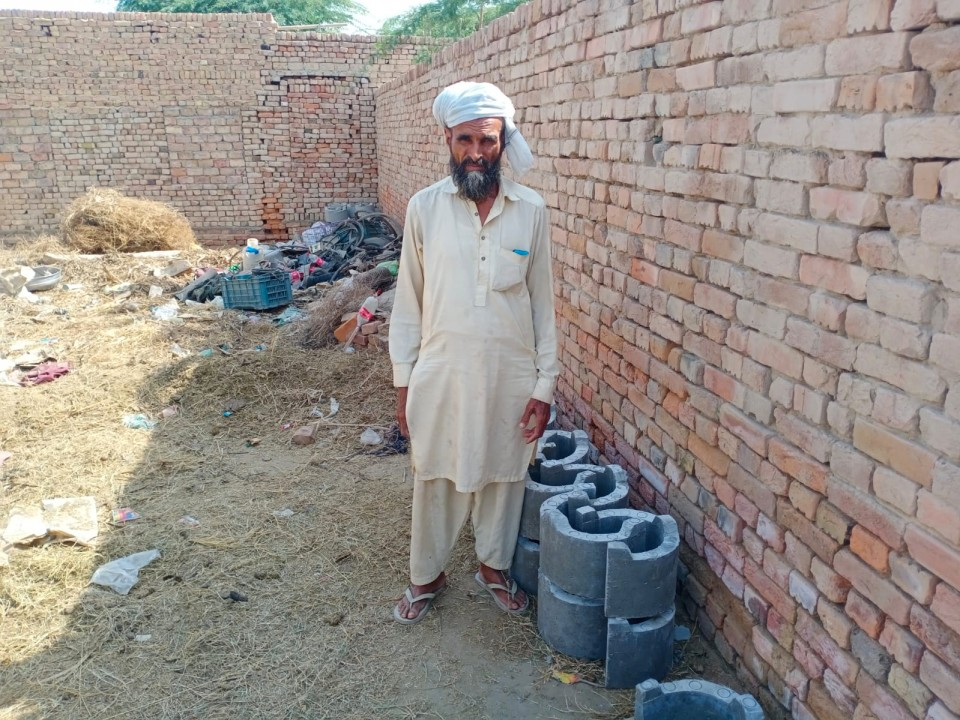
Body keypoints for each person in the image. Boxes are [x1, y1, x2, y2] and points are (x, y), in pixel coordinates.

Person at [388, 81, 559, 624]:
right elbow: (409, 301)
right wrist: (403, 381)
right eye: (466, 140)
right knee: (436, 473)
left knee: (505, 475)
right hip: (441, 370)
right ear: (448, 139)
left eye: (488, 140)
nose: (477, 152)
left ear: (504, 141)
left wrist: (544, 386)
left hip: (511, 373)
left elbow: (543, 303)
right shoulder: (425, 208)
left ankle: (493, 568)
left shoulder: (530, 209)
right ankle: (426, 575)